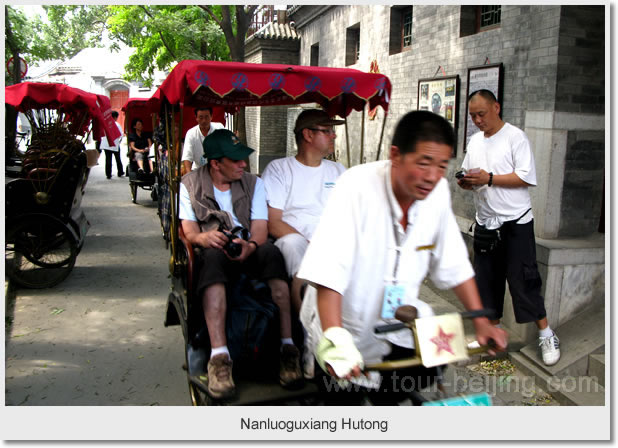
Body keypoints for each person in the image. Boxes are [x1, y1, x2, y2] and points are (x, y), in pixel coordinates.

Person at [297, 110, 507, 405]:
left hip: (398, 325)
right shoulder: (354, 188)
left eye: (442, 165)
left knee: (417, 378)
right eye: (424, 163)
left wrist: (482, 321)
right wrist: (335, 339)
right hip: (345, 325)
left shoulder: (435, 196)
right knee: (344, 405)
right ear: (396, 155)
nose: (433, 176)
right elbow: (330, 273)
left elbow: (455, 264)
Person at [179, 129, 302, 399]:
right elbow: (188, 229)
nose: (243, 164)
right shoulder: (189, 184)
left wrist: (251, 246)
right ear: (215, 163)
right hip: (213, 248)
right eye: (235, 160)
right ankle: (219, 358)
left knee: (271, 253)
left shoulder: (253, 183)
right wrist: (203, 237)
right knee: (211, 259)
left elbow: (260, 226)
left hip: (249, 244)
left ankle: (287, 346)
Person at [457, 89, 560, 366]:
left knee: (524, 280)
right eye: (473, 116)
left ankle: (546, 334)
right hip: (486, 222)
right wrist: (466, 182)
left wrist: (489, 178)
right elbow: (470, 172)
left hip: (516, 222)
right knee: (486, 281)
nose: (477, 120)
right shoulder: (475, 141)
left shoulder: (516, 137)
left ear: (496, 108)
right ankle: (492, 334)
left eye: (481, 114)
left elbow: (526, 177)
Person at [261, 109, 346, 314]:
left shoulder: (338, 170)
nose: (333, 135)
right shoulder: (279, 169)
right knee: (293, 244)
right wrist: (312, 244)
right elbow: (274, 222)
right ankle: (306, 322)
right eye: (327, 131)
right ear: (308, 135)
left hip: (333, 242)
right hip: (296, 241)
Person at [181, 106, 225, 175]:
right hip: (198, 172)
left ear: (211, 116)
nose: (204, 120)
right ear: (196, 118)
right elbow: (187, 158)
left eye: (207, 117)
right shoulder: (191, 134)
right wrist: (189, 177)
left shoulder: (219, 128)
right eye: (201, 117)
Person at [100, 111, 124, 179]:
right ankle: (120, 172)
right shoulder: (117, 124)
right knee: (118, 158)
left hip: (106, 144)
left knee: (108, 159)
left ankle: (108, 174)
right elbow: (120, 135)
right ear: (115, 117)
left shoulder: (105, 123)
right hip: (114, 144)